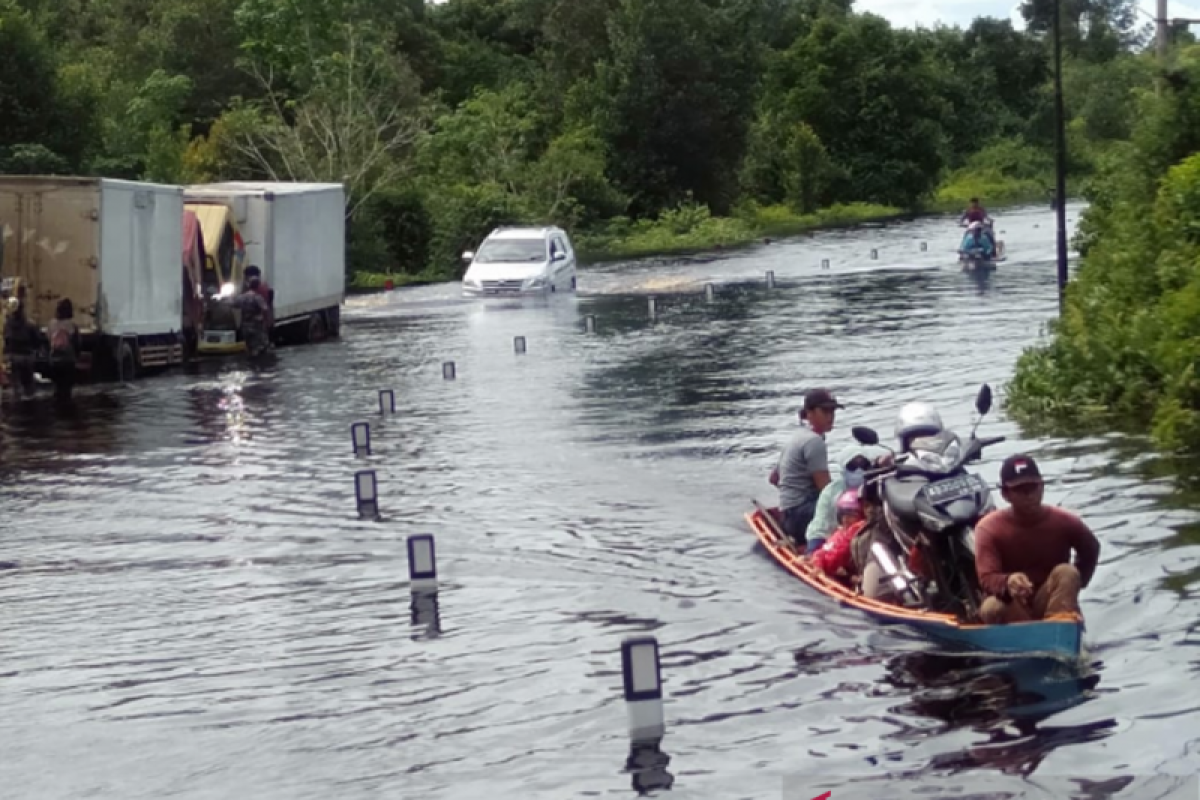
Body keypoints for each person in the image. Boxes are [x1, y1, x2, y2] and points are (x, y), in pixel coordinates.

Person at [975, 454, 1101, 624]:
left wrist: (1075, 585)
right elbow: (987, 577)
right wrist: (1008, 582)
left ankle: (1060, 623)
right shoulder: (989, 528)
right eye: (1021, 490)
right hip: (1012, 605)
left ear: (1042, 487)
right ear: (1005, 494)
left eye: (1033, 488)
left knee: (1067, 572)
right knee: (991, 607)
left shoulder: (1064, 521)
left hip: (1050, 598)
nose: (1029, 496)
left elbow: (1090, 549)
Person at [769, 388, 843, 549]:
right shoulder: (814, 442)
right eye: (825, 411)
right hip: (801, 518)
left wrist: (790, 498)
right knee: (849, 509)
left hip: (789, 516)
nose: (830, 417)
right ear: (809, 413)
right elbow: (826, 490)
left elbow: (774, 479)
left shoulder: (797, 437)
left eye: (832, 411)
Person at [805, 442, 890, 552]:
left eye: (863, 465)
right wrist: (814, 550)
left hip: (869, 540)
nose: (859, 470)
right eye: (852, 466)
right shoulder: (831, 492)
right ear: (843, 469)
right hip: (837, 541)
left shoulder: (876, 486)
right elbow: (819, 527)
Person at [812, 488, 868, 582]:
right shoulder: (841, 532)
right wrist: (817, 563)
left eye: (851, 515)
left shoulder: (858, 529)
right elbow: (824, 552)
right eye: (843, 515)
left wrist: (819, 564)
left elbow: (832, 560)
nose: (845, 519)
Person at [46, 298, 80, 400]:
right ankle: (66, 410)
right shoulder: (72, 325)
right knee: (67, 389)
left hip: (54, 361)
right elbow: (77, 343)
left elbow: (48, 340)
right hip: (68, 361)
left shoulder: (51, 324)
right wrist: (76, 357)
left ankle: (57, 407)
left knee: (57, 386)